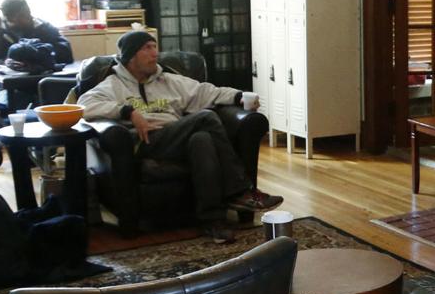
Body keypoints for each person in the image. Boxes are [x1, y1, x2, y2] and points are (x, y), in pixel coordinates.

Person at [77, 30, 283, 243]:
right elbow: (83, 106)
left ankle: (212, 221)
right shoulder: (112, 84)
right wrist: (127, 111)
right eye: (147, 48)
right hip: (144, 142)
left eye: (155, 47)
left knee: (201, 139)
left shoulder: (168, 80)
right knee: (205, 118)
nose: (155, 53)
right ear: (130, 57)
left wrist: (239, 96)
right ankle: (239, 191)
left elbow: (206, 92)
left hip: (175, 138)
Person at [0, 0, 73, 69]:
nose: (29, 17)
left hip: (42, 77)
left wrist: (38, 55)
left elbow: (66, 53)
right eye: (23, 15)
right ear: (9, 19)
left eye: (28, 12)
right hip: (9, 82)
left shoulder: (42, 27)